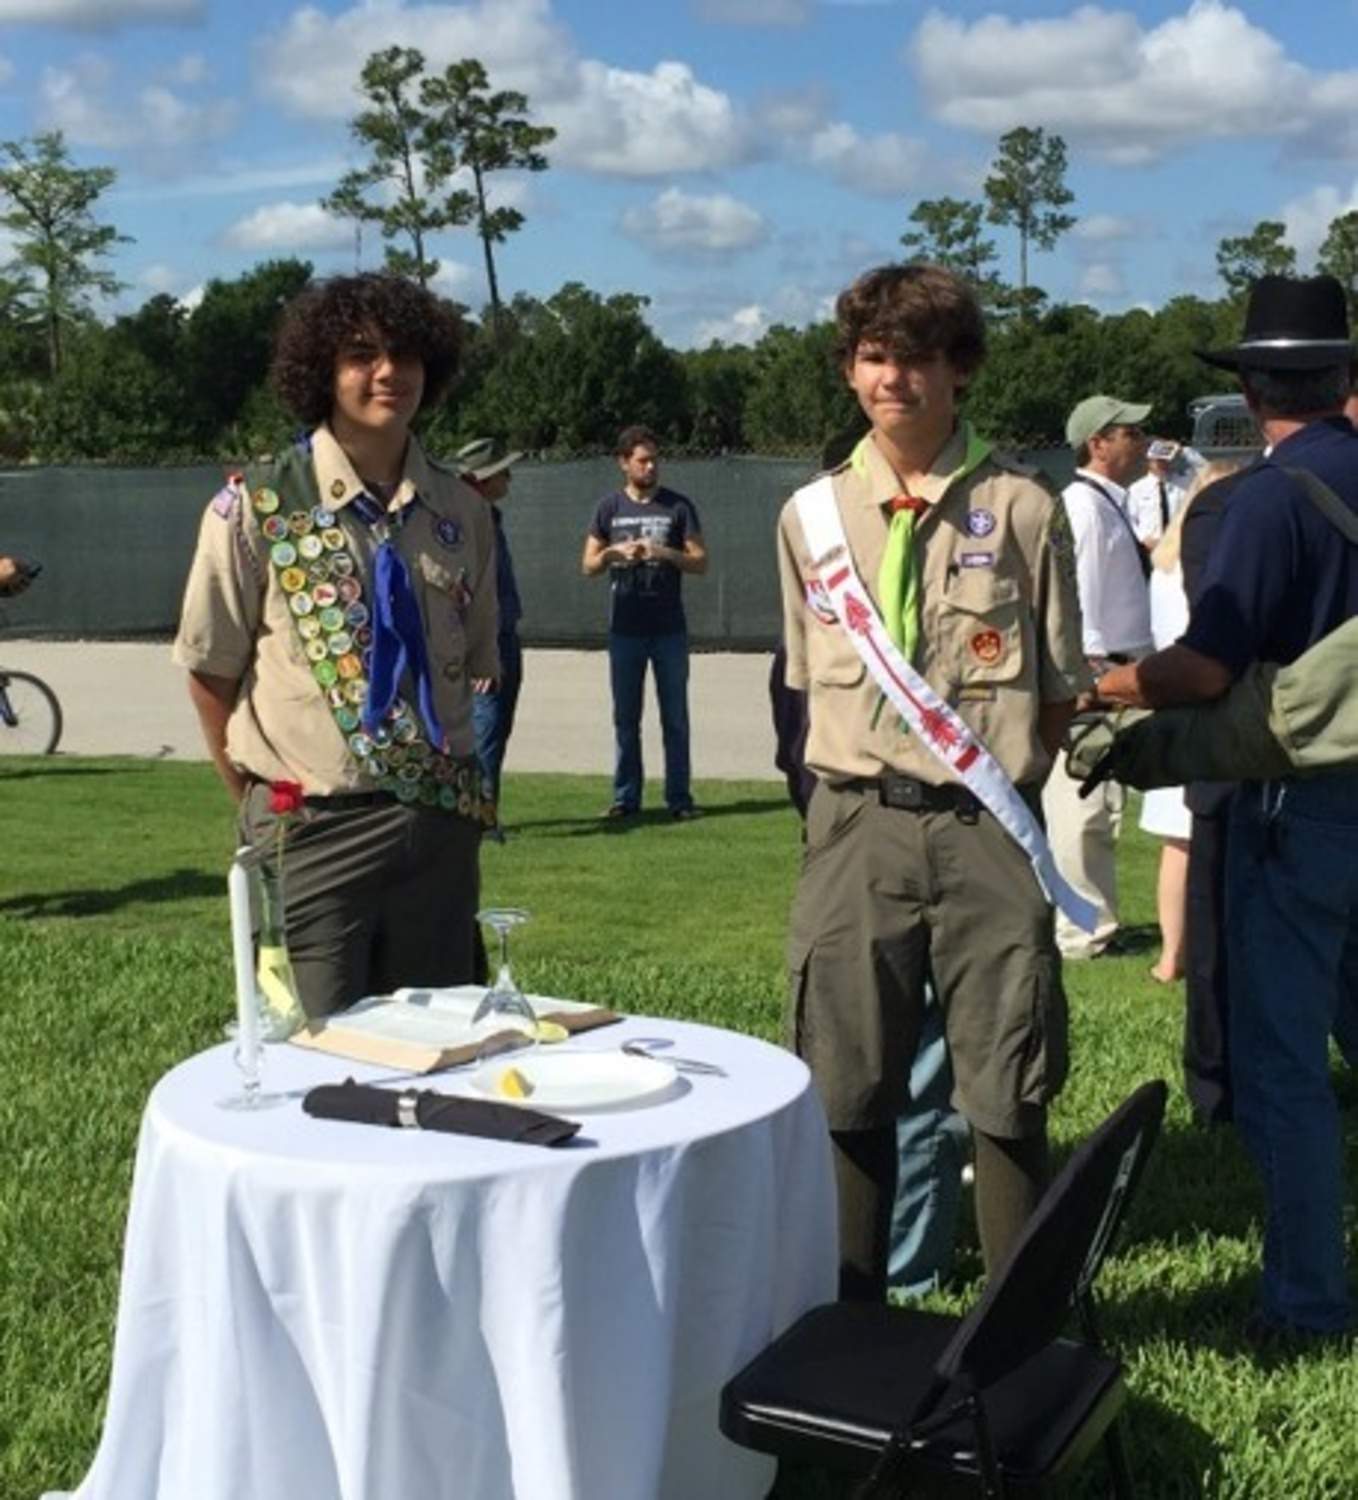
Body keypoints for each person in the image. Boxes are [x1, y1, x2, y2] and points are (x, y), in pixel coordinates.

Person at [777, 262, 1088, 1300]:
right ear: (848, 372)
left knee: (1005, 1078)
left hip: (982, 829)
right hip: (856, 823)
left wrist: (1006, 782)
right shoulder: (808, 518)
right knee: (846, 1076)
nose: (894, 379)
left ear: (960, 371)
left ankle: (1015, 1331)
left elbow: (1054, 689)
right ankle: (847, 1321)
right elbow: (800, 685)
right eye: (873, 358)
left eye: (918, 358)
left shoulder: (1024, 508)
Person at [1097, 274, 1358, 1345]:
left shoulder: (1261, 499)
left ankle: (1303, 1303)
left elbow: (1205, 669)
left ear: (1250, 388)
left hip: (1295, 802)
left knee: (1284, 1065)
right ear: (1343, 374)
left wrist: (1103, 688)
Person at [174, 272, 498, 1018]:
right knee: (313, 1064)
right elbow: (209, 672)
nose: (389, 372)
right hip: (314, 829)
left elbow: (475, 672)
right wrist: (263, 801)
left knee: (440, 1056)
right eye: (361, 354)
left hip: (439, 828)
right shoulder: (257, 505)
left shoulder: (462, 511)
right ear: (321, 368)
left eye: (407, 353)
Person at [1042, 394, 1154, 960]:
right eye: (1129, 432)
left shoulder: (1105, 504)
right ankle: (1081, 931)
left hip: (1119, 668)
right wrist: (1086, 670)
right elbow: (1074, 594)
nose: (1141, 441)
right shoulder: (1083, 509)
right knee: (1080, 805)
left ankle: (1096, 921)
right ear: (1098, 443)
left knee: (1101, 805)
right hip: (1098, 673)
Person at [1139, 461, 1244, 984]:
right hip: (1201, 702)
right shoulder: (1209, 562)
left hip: (1168, 704)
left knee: (1175, 846)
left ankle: (1171, 953)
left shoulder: (1163, 563)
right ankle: (1201, 950)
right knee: (1198, 841)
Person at [582, 426, 707, 820]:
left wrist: (664, 552)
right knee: (625, 719)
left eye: (654, 459)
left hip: (669, 628)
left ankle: (679, 799)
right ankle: (626, 798)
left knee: (675, 718)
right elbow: (587, 565)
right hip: (625, 629)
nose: (650, 466)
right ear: (624, 463)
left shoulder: (678, 507)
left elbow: (701, 561)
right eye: (642, 460)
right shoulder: (609, 508)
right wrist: (612, 556)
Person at [459, 437, 524, 844]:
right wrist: (480, 652)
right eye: (502, 470)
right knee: (484, 731)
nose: (509, 477)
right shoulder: (467, 521)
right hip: (490, 643)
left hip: (504, 636)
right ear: (483, 479)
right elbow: (468, 592)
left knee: (495, 731)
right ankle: (480, 819)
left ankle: (485, 812)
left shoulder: (487, 515)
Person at [1127, 438, 1203, 552]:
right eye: (1157, 460)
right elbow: (1130, 518)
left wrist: (1183, 451)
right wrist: (1144, 539)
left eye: (1165, 459)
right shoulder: (1136, 489)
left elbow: (1206, 469)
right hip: (1149, 548)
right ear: (1148, 460)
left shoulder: (1183, 482)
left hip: (1178, 545)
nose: (1161, 463)